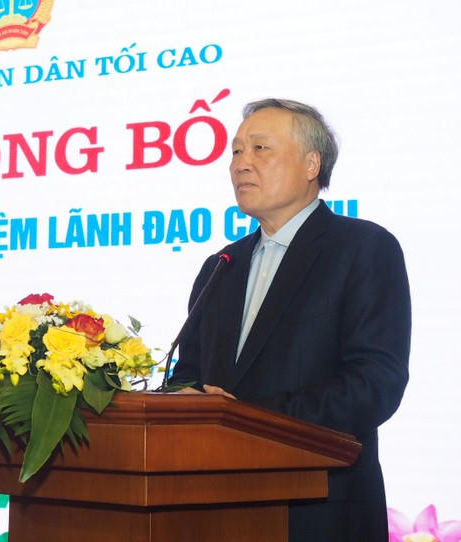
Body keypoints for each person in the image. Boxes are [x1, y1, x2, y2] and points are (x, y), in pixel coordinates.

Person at [170, 98, 411, 541]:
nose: (241, 164)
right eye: (236, 151)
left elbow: (374, 384)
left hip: (320, 510)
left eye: (260, 149)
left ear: (311, 164)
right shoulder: (221, 266)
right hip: (215, 511)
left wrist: (244, 417)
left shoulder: (363, 249)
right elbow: (188, 375)